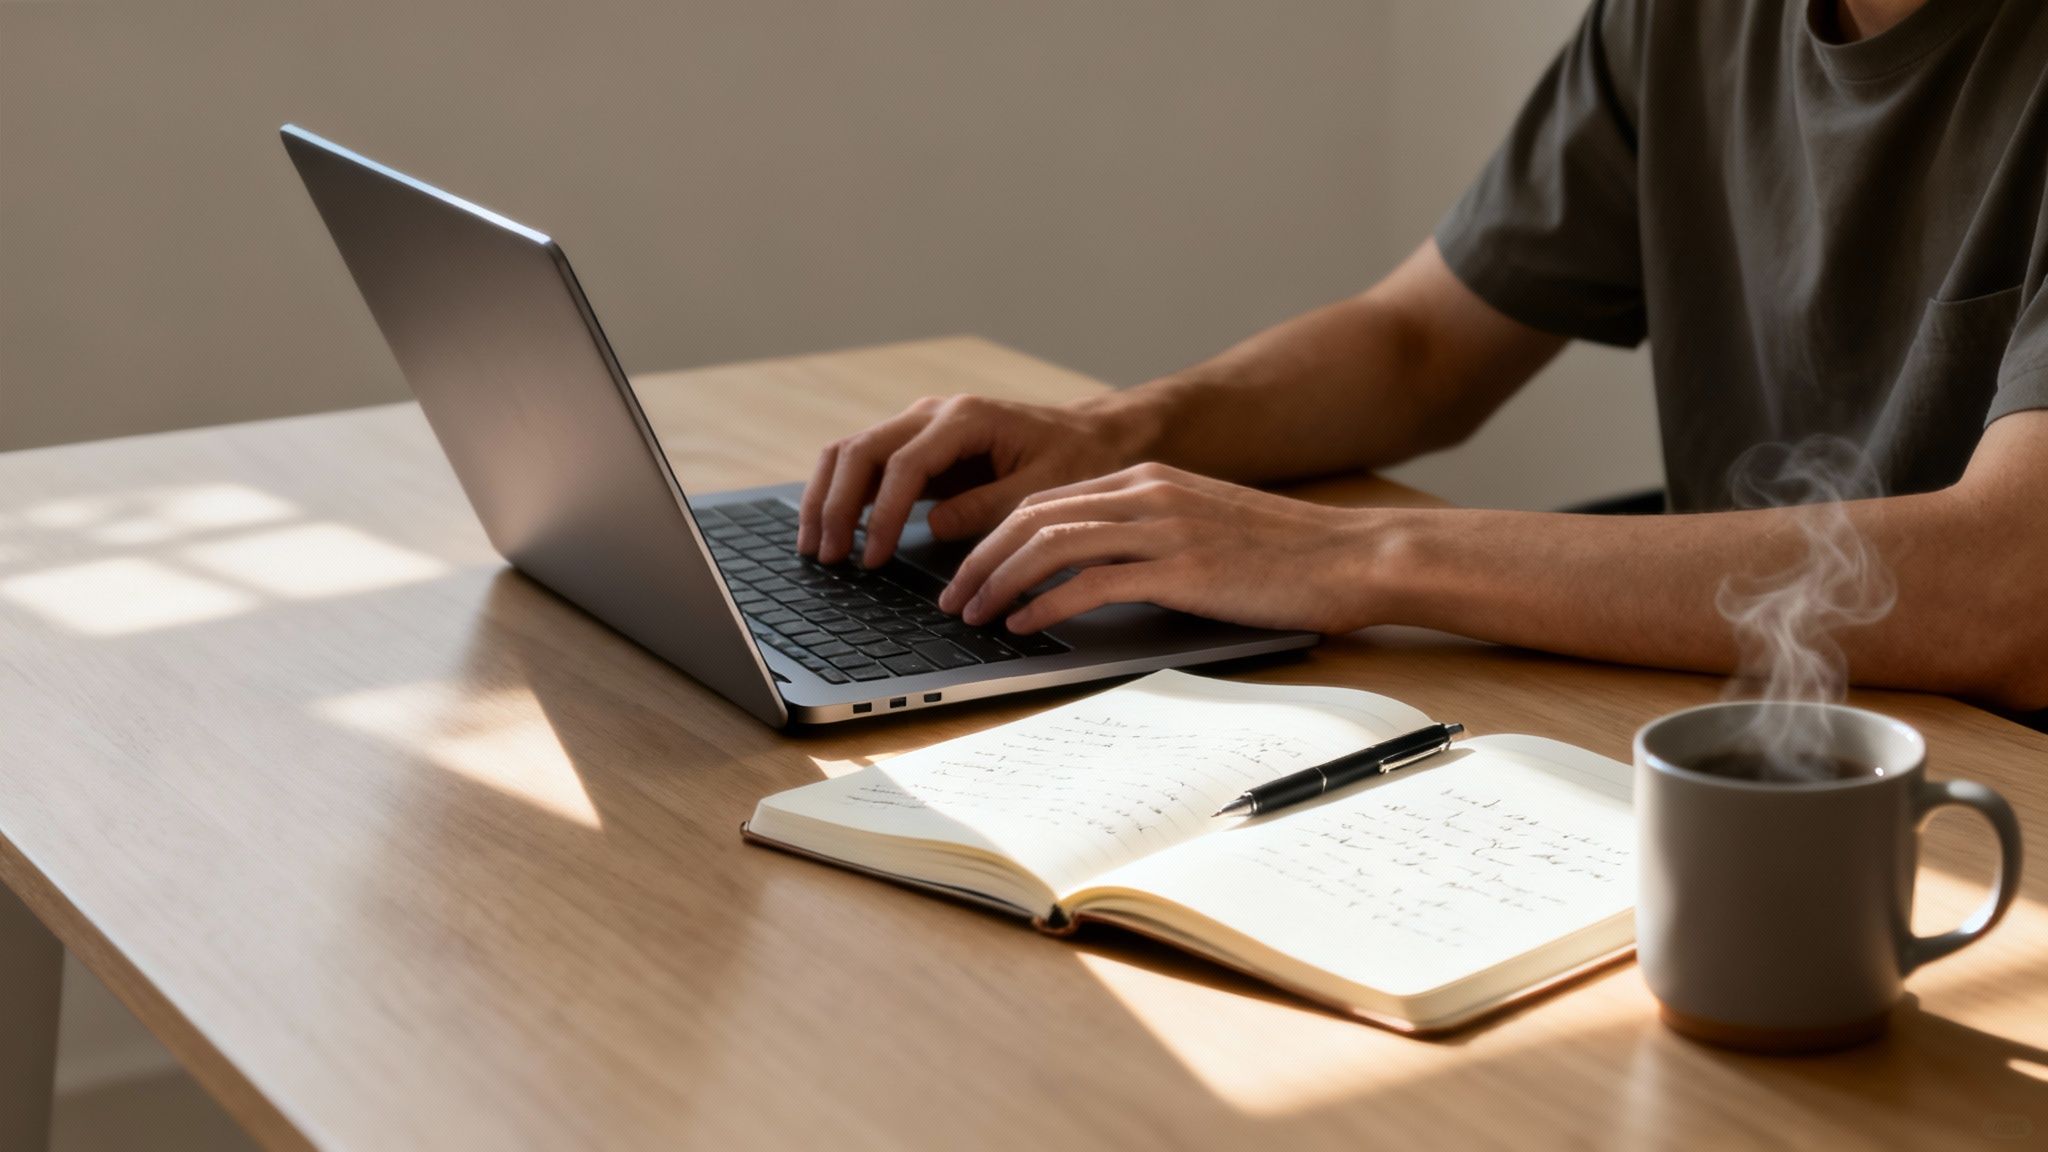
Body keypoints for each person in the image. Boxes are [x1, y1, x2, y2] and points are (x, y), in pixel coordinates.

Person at [797, 0, 2048, 713]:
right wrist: (1120, 431)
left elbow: (2012, 588)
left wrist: (1354, 556)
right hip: (1722, 726)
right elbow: (1419, 345)